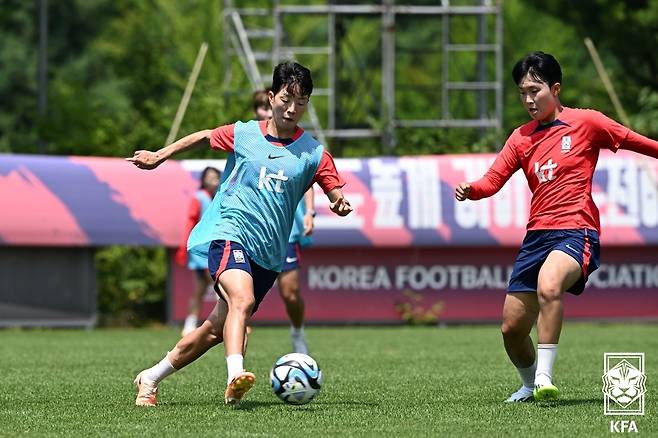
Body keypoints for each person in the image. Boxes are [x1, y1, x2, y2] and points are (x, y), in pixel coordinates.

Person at [127, 61, 352, 407]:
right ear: (271, 95)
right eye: (287, 98)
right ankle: (235, 375)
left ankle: (151, 377)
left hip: (269, 255)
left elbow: (334, 188)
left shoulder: (313, 153)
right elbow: (204, 136)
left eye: (302, 101)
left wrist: (338, 203)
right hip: (230, 232)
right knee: (242, 301)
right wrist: (160, 155)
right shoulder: (244, 133)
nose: (293, 108)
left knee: (214, 330)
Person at [454, 51, 658, 402]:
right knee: (511, 330)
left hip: (576, 231)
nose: (529, 99)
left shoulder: (587, 122)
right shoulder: (520, 138)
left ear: (556, 88)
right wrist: (472, 190)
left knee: (550, 286)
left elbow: (636, 142)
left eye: (535, 90)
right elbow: (492, 181)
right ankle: (530, 385)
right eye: (522, 93)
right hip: (536, 237)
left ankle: (546, 377)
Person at [252, 88, 315, 354]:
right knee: (241, 301)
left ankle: (297, 332)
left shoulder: (300, 144)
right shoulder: (249, 139)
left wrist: (310, 212)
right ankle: (235, 368)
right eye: (261, 108)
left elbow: (309, 179)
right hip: (251, 232)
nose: (267, 111)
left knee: (289, 293)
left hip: (285, 231)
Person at [177, 166, 222, 336]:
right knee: (219, 286)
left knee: (201, 289)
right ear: (203, 180)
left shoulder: (221, 197)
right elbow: (190, 221)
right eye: (210, 176)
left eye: (216, 176)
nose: (213, 179)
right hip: (201, 250)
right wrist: (184, 247)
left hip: (216, 247)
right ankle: (227, 320)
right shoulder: (199, 198)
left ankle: (190, 324)